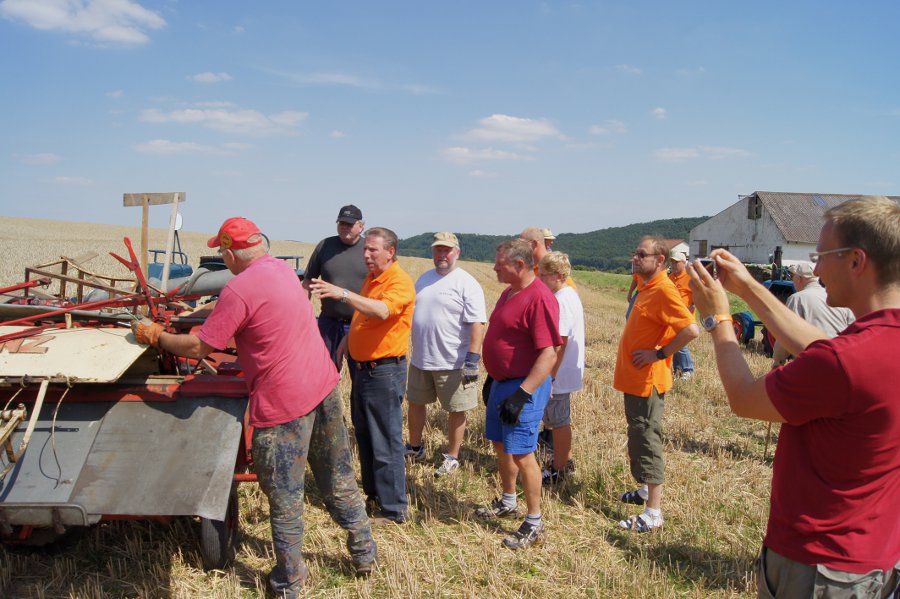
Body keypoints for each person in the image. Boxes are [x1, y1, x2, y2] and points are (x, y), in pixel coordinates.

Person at [132, 217, 376, 596]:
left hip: (284, 404)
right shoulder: (279, 269)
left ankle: (289, 582)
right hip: (323, 385)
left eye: (221, 251)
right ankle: (364, 552)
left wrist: (157, 335)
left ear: (229, 253)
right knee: (338, 477)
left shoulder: (239, 289)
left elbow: (200, 348)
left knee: (285, 497)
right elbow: (242, 315)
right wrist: (196, 317)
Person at [687, 196, 900, 598]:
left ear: (856, 261)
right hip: (873, 554)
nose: (816, 269)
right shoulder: (869, 348)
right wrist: (749, 288)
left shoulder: (845, 362)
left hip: (819, 566)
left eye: (822, 256)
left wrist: (718, 318)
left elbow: (744, 399)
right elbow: (821, 347)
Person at [309, 227, 415, 524]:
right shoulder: (372, 278)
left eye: (372, 250)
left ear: (390, 252)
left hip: (384, 372)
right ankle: (374, 495)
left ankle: (394, 509)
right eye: (365, 249)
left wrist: (342, 293)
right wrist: (346, 341)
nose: (366, 255)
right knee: (366, 434)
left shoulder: (399, 282)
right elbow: (362, 314)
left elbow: (381, 311)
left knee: (386, 440)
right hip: (364, 368)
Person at [475, 239, 562, 549]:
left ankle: (534, 521)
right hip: (502, 383)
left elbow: (549, 354)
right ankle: (509, 500)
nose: (496, 268)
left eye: (501, 263)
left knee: (523, 453)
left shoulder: (539, 298)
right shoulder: (508, 292)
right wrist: (493, 377)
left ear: (520, 265)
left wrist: (522, 394)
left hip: (523, 387)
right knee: (501, 445)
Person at [613, 235, 699, 532]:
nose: (635, 258)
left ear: (660, 260)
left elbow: (690, 329)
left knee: (647, 439)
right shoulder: (646, 285)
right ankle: (645, 492)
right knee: (638, 435)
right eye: (635, 253)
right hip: (634, 380)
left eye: (641, 254)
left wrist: (660, 353)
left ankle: (653, 512)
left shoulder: (664, 289)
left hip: (648, 381)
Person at [405, 232, 487, 478]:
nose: (442, 255)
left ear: (457, 252)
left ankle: (452, 457)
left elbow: (477, 323)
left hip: (452, 361)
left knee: (456, 410)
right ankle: (415, 447)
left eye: (447, 250)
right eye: (438, 250)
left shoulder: (467, 283)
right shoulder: (424, 279)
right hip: (421, 358)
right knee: (416, 403)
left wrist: (472, 358)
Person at [537, 252, 584, 486]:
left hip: (559, 373)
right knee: (555, 420)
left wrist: (549, 377)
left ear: (559, 275)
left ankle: (560, 468)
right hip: (560, 372)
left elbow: (560, 343)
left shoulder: (562, 299)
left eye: (543, 275)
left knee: (558, 421)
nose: (540, 279)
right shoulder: (567, 294)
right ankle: (562, 460)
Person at [302, 204, 368, 368]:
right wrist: (303, 312)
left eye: (350, 224)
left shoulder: (369, 250)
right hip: (329, 323)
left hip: (360, 324)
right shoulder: (325, 246)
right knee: (325, 372)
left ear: (361, 226)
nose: (345, 227)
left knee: (360, 375)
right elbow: (308, 281)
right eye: (342, 223)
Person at [770, 261, 854, 365]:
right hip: (843, 360)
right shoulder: (836, 296)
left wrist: (778, 360)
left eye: (793, 277)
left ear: (799, 278)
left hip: (816, 360)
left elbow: (787, 332)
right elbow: (853, 328)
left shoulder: (797, 299)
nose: (792, 280)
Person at [668, 250, 696, 379]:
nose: (673, 265)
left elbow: (697, 295)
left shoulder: (690, 278)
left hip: (685, 317)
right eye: (672, 262)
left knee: (681, 343)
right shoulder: (670, 278)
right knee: (673, 343)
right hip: (671, 316)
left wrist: (691, 307)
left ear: (683, 263)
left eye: (676, 262)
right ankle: (677, 369)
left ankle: (688, 369)